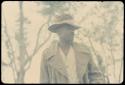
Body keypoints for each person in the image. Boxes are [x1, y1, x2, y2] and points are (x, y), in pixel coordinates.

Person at [40, 14, 105, 84]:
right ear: (58, 31)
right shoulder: (47, 55)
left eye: (73, 29)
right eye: (68, 28)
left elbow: (97, 76)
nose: (72, 32)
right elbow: (44, 80)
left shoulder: (84, 51)